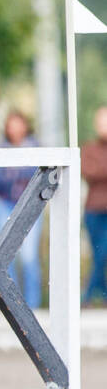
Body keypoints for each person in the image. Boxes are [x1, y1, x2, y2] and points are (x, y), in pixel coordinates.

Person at [0, 111, 42, 309]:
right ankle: (12, 303)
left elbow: (35, 174)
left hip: (30, 203)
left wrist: (13, 172)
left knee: (29, 257)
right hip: (5, 203)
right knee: (6, 255)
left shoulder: (35, 146)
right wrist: (18, 174)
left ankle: (32, 305)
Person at [81, 106, 107, 305]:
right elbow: (88, 172)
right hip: (93, 210)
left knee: (103, 252)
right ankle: (101, 293)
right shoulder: (89, 148)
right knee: (98, 252)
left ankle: (88, 295)